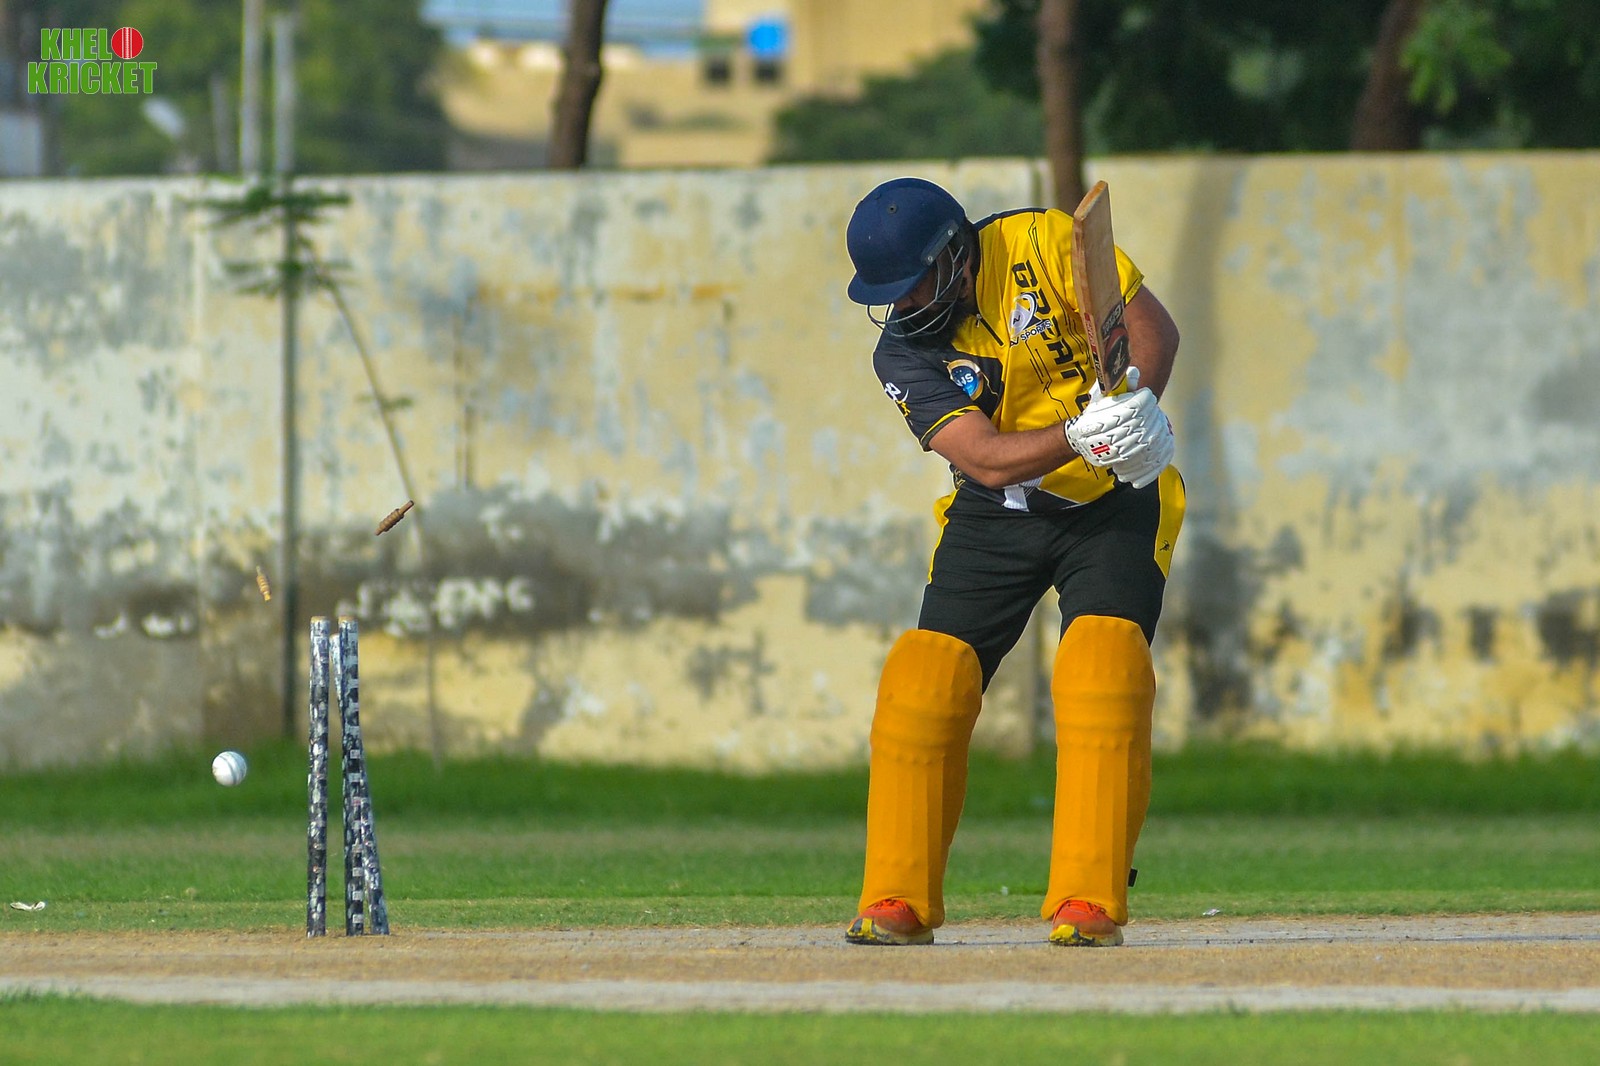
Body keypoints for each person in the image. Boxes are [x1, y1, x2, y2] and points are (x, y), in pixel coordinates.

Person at [841, 176, 1185, 947]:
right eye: (889, 294)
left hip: (1114, 499)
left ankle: (1088, 902)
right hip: (997, 511)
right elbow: (986, 459)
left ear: (954, 254)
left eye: (915, 283)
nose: (905, 305)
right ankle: (897, 899)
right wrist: (1080, 434)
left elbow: (1150, 329)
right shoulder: (901, 351)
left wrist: (1137, 409)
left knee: (1102, 665)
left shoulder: (1041, 243)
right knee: (924, 678)